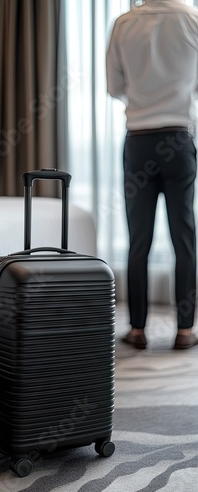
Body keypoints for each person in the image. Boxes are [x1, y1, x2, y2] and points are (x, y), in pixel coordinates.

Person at [106, 0, 198, 349]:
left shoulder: (124, 23)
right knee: (184, 238)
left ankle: (138, 330)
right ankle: (185, 331)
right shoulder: (193, 19)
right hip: (178, 138)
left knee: (139, 240)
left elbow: (114, 87)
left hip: (139, 141)